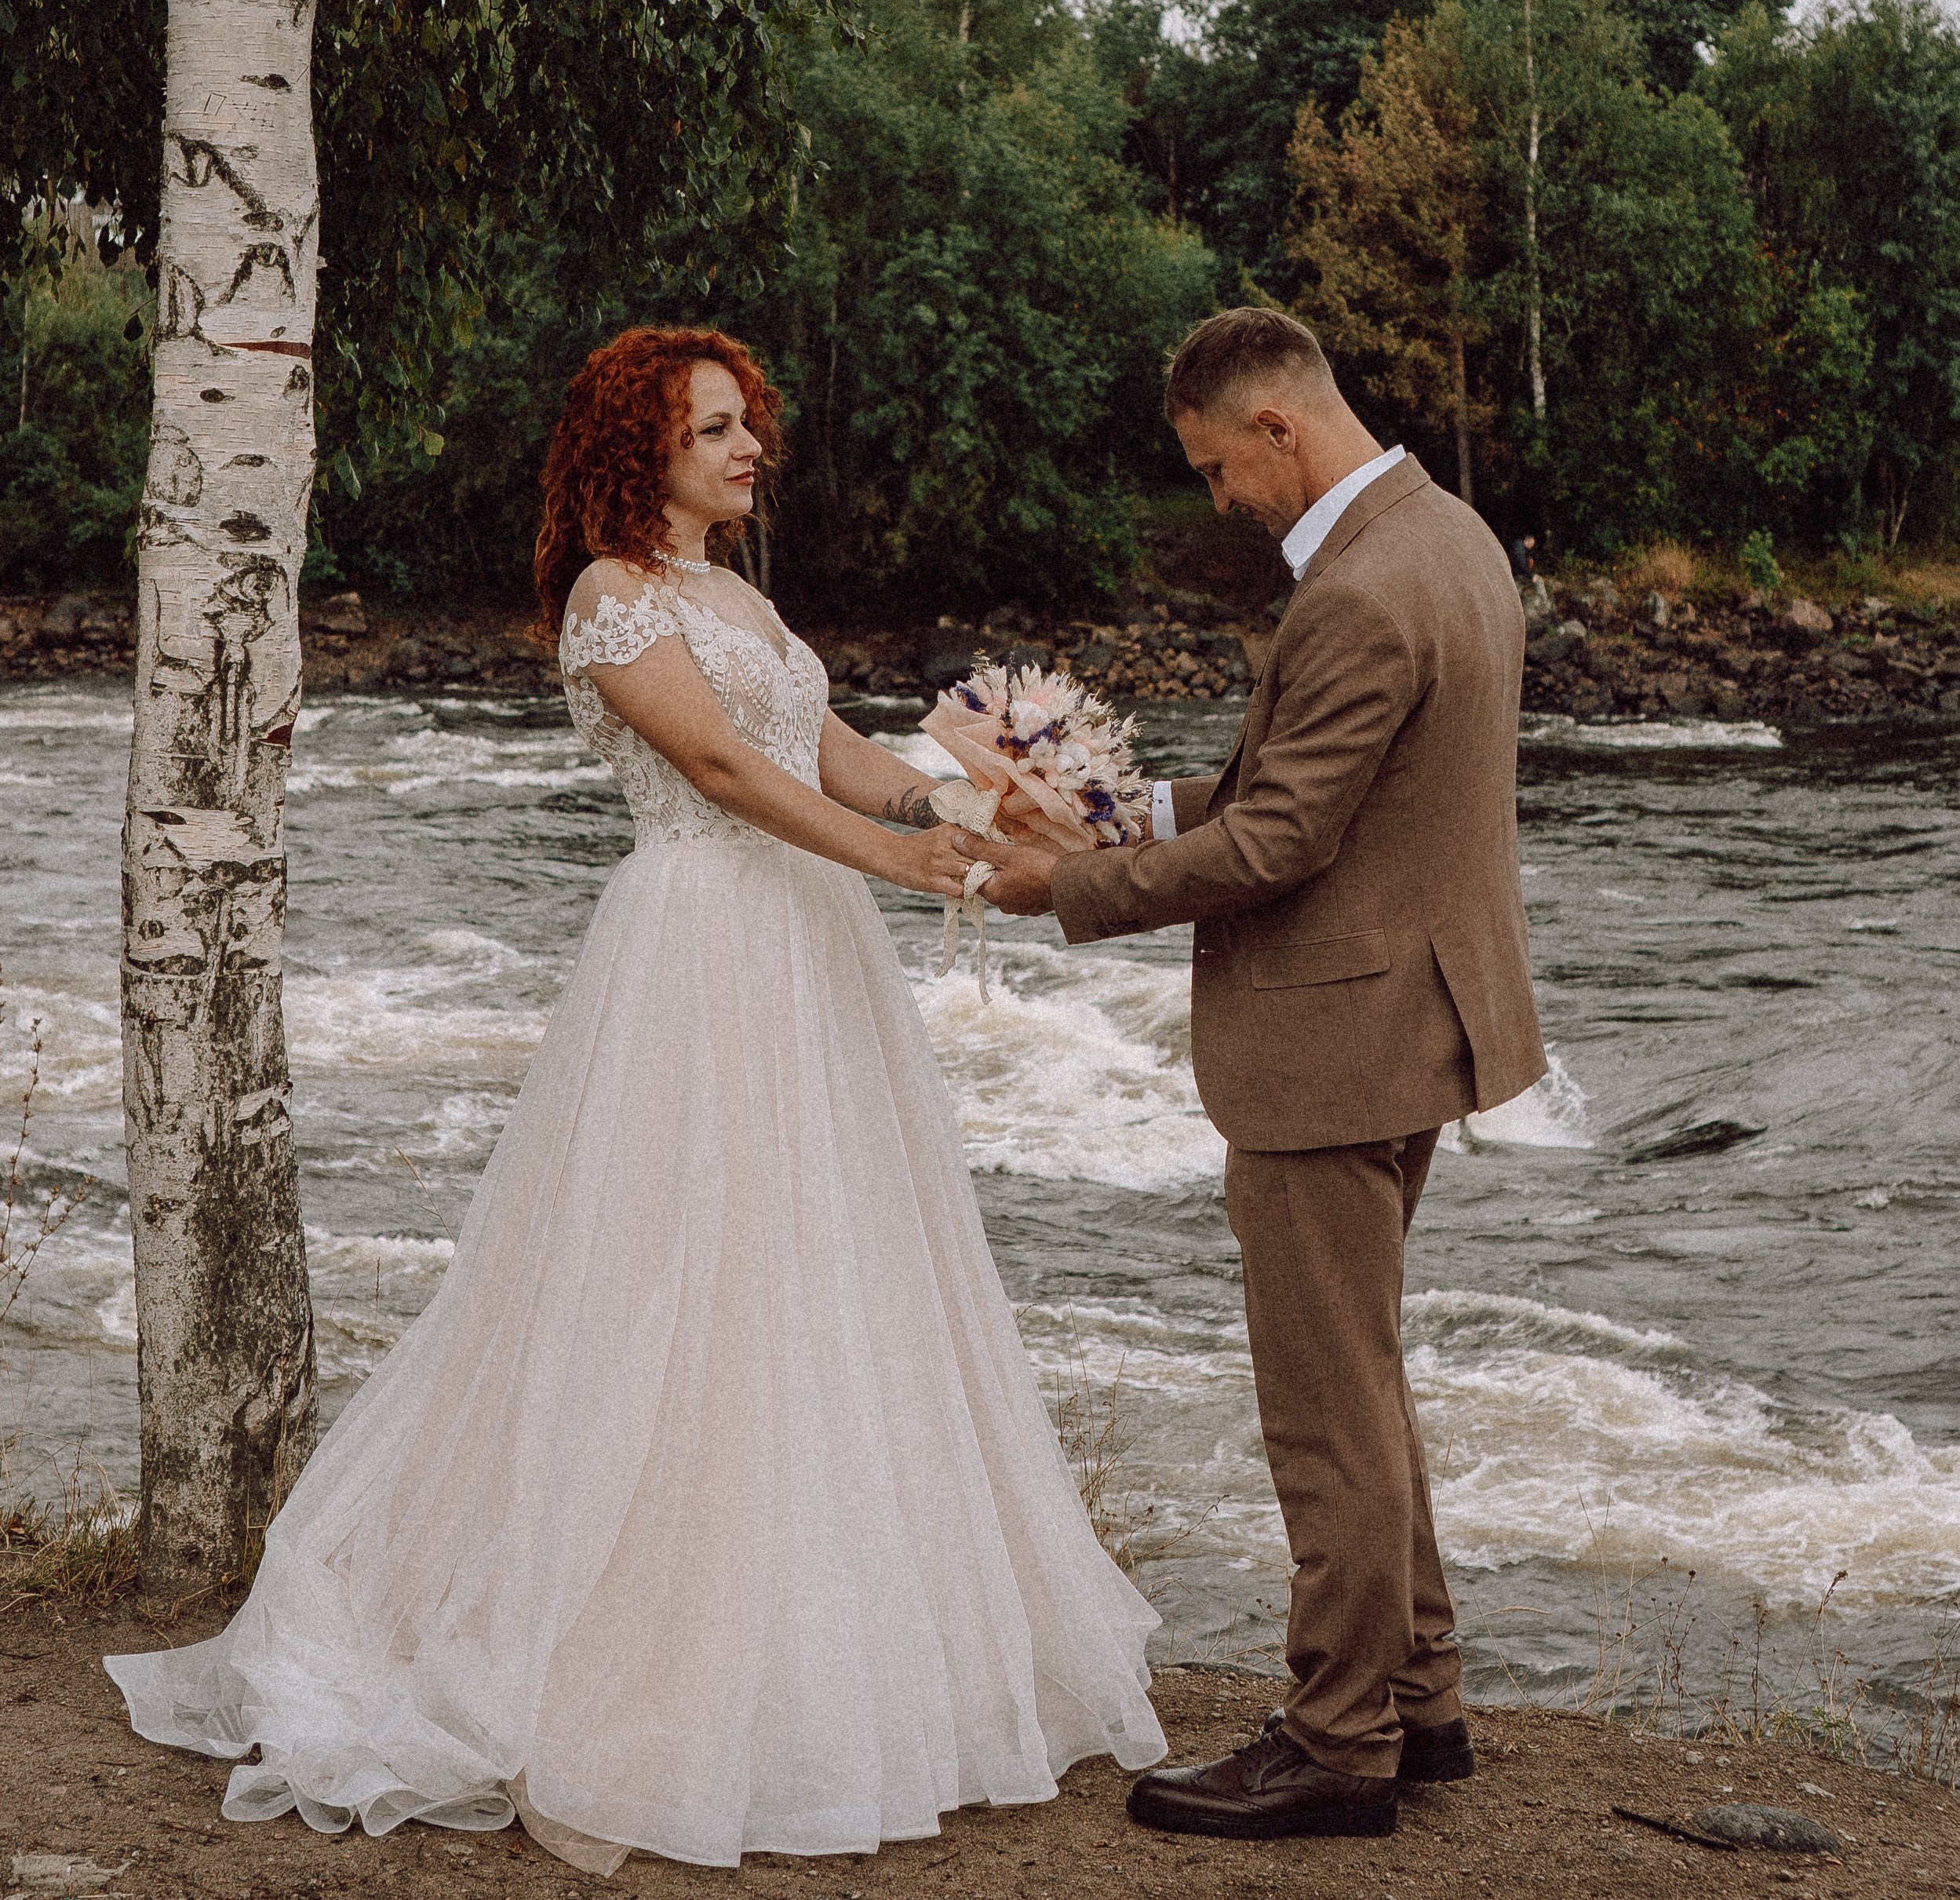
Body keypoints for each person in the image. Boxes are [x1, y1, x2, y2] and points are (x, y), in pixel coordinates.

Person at [107, 325, 1164, 1872]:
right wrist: (898, 860)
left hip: (810, 946)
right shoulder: (613, 595)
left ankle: (840, 1643)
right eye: (715, 428)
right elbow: (724, 771)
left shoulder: (737, 593)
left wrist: (968, 800)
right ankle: (633, 1644)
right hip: (701, 939)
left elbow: (822, 745)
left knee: (821, 1263)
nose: (750, 448)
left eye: (748, 423)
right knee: (674, 1267)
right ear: (640, 448)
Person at [966, 306, 1545, 1845]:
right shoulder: (1451, 540)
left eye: (1218, 467)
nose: (1218, 497)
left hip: (1333, 1041)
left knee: (1324, 1408)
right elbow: (1285, 788)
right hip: (1415, 1016)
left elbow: (1282, 838)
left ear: (1277, 425)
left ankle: (1337, 1741)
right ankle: (1419, 1697)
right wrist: (1112, 810)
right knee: (1364, 1370)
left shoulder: (1357, 590)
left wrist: (1063, 887)